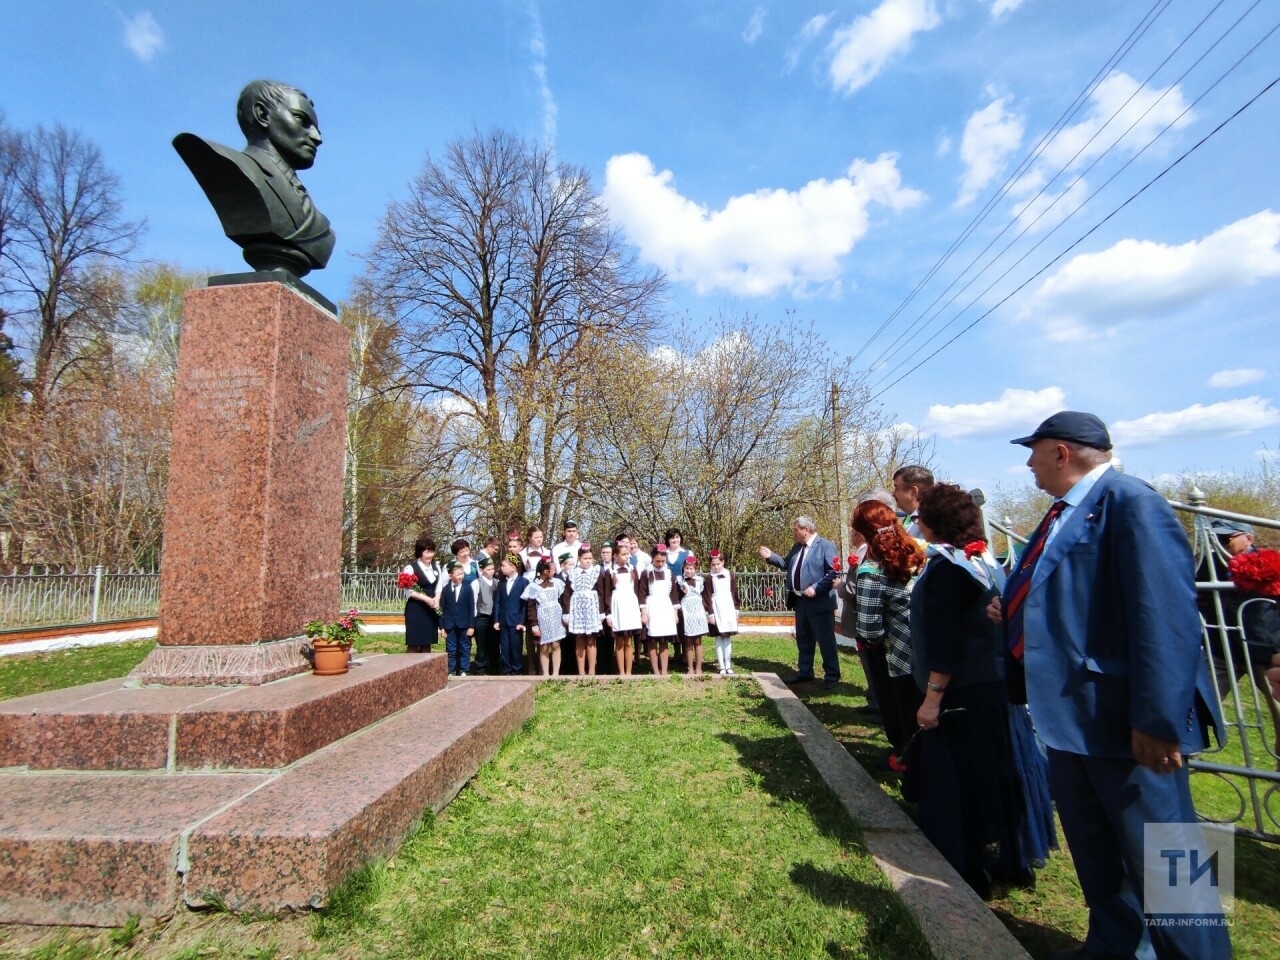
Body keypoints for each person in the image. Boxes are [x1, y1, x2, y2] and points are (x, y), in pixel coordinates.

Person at [990, 411, 1228, 960]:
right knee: (1101, 862)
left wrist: (1158, 719)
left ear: (1063, 452)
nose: (1028, 462)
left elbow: (1165, 616)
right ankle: (1115, 948)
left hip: (1129, 726)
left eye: (1035, 450)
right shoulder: (1059, 515)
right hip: (1070, 722)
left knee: (1174, 877)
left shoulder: (1131, 502)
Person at [911, 483, 1053, 897]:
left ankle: (967, 865)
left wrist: (932, 698)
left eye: (921, 517)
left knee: (961, 784)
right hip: (990, 686)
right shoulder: (983, 562)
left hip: (958, 693)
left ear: (934, 524)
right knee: (994, 775)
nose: (916, 523)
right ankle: (1011, 858)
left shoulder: (945, 570)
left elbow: (945, 642)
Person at [173, 80, 335, 275]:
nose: (317, 138)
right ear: (262, 115)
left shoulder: (321, 223)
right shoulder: (231, 166)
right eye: (302, 121)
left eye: (317, 129)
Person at [850, 499, 926, 774]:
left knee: (903, 717)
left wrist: (871, 641)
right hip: (925, 652)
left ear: (863, 531)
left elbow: (870, 628)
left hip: (896, 658)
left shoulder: (872, 569)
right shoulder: (914, 554)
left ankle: (909, 767)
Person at [1197, 518, 1280, 758]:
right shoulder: (1206, 566)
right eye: (1215, 539)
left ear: (1249, 538)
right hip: (1221, 652)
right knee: (1196, 704)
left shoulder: (1270, 563)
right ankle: (1185, 757)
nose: (1220, 544)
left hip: (1265, 654)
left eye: (1226, 538)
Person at [760, 517, 841, 689]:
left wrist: (816, 588)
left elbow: (834, 571)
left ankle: (832, 676)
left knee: (825, 640)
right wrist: (770, 556)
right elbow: (786, 564)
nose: (793, 533)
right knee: (803, 638)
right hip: (800, 601)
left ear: (806, 529)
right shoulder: (797, 547)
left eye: (795, 530)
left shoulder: (825, 546)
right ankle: (805, 671)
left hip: (820, 602)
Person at [600, 539, 642, 675]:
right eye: (623, 554)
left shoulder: (632, 569)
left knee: (629, 641)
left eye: (627, 554)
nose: (626, 557)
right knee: (619, 641)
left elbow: (636, 590)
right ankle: (621, 672)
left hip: (630, 605)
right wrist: (609, 614)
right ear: (616, 556)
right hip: (617, 606)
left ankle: (629, 672)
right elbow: (607, 594)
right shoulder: (610, 571)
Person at [640, 544, 680, 675]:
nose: (660, 563)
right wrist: (644, 613)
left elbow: (673, 594)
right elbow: (642, 594)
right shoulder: (646, 573)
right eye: (658, 561)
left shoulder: (669, 573)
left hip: (665, 608)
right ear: (652, 558)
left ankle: (664, 671)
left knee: (664, 642)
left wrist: (675, 613)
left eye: (663, 561)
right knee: (652, 641)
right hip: (652, 608)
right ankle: (655, 670)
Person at [564, 544, 604, 676]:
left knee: (591, 639)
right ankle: (581, 671)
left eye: (590, 558)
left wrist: (602, 612)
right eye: (585, 558)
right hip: (577, 608)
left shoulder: (596, 571)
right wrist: (567, 613)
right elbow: (567, 594)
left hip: (592, 607)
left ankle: (592, 670)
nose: (588, 561)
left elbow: (601, 592)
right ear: (579, 558)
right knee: (579, 638)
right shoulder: (572, 573)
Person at [524, 558, 566, 676]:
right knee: (544, 647)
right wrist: (534, 625)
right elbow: (531, 607)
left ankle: (556, 673)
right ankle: (546, 674)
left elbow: (562, 599)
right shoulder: (533, 586)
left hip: (556, 616)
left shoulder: (557, 583)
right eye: (553, 569)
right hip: (542, 617)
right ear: (546, 571)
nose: (555, 571)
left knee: (556, 644)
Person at [402, 535, 442, 652]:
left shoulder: (437, 567)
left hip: (430, 610)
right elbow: (409, 591)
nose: (430, 555)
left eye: (432, 552)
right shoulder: (410, 568)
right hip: (416, 610)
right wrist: (427, 599)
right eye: (427, 552)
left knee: (427, 643)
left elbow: (439, 586)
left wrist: (437, 599)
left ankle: (425, 669)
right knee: (413, 644)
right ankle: (408, 669)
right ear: (420, 552)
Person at [704, 549, 740, 675]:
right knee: (719, 636)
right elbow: (707, 596)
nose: (716, 567)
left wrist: (736, 609)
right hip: (716, 607)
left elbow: (734, 592)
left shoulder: (730, 575)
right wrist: (710, 613)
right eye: (713, 565)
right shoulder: (709, 578)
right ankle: (721, 666)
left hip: (728, 607)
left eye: (718, 564)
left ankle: (728, 665)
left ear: (723, 562)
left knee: (727, 636)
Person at [494, 553, 529, 676]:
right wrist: (496, 620)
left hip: (515, 620)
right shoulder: (502, 583)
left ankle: (517, 669)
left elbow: (524, 604)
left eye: (504, 566)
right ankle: (506, 670)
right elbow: (498, 602)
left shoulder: (523, 582)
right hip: (503, 620)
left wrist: (521, 621)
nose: (501, 568)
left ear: (513, 567)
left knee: (516, 647)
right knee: (505, 647)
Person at [439, 560, 476, 676]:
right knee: (451, 649)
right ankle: (451, 670)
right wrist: (442, 627)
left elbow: (471, 607)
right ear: (450, 575)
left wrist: (471, 625)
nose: (461, 576)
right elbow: (441, 609)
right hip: (449, 624)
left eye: (462, 574)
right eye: (458, 574)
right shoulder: (445, 589)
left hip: (464, 624)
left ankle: (465, 669)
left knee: (464, 647)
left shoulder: (468, 588)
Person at [678, 554, 709, 674]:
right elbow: (677, 597)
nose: (689, 571)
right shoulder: (680, 581)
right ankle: (690, 667)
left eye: (691, 568)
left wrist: (706, 613)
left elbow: (704, 597)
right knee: (688, 641)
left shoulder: (700, 581)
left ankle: (699, 667)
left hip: (698, 613)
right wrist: (682, 593)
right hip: (686, 614)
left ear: (696, 569)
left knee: (698, 641)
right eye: (687, 568)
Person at [892, 465, 935, 539]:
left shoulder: (930, 525)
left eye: (897, 488)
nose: (893, 493)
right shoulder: (911, 521)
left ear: (913, 491)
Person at [472, 554, 498, 674]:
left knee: (494, 643)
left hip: (494, 617)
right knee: (481, 643)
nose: (491, 571)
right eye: (488, 569)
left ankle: (494, 666)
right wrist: (473, 619)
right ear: (482, 570)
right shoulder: (476, 583)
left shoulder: (497, 582)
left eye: (493, 569)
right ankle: (480, 667)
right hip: (481, 616)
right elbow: (474, 602)